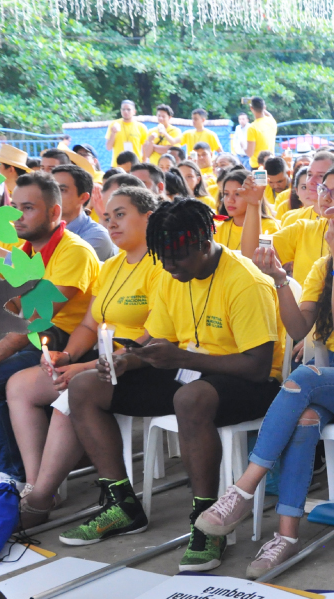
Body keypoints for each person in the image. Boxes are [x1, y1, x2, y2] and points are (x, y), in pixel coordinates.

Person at [195, 187, 334, 575]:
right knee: (305, 419)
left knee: (304, 377)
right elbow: (299, 328)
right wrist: (281, 280)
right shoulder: (323, 266)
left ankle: (243, 488)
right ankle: (286, 535)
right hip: (329, 376)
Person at [60, 199, 284, 572]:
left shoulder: (245, 282)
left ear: (200, 243)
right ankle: (123, 505)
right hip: (190, 374)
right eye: (162, 258)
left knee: (190, 398)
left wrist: (183, 359)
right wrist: (127, 359)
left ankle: (208, 523)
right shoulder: (170, 274)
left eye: (176, 257)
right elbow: (158, 341)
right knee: (84, 387)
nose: (168, 266)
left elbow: (258, 368)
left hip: (248, 383)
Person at [8, 187, 164, 527]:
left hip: (138, 362)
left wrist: (80, 366)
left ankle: (37, 501)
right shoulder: (111, 266)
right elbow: (90, 324)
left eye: (121, 215)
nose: (112, 224)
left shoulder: (163, 266)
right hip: (99, 356)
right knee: (20, 385)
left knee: (74, 390)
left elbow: (150, 338)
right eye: (107, 218)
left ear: (148, 217)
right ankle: (40, 485)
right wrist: (65, 355)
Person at [0, 172, 100, 497]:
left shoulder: (75, 252)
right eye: (15, 206)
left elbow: (35, 320)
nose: (16, 216)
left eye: (27, 208)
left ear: (55, 213)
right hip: (37, 339)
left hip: (69, 346)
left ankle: (15, 475)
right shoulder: (26, 252)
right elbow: (12, 307)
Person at [262, 166, 334, 282]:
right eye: (323, 189)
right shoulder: (303, 229)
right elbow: (253, 255)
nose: (326, 198)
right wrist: (254, 204)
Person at [50, 165, 116, 261]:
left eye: (62, 190)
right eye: (51, 189)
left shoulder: (96, 237)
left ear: (83, 197)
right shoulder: (41, 230)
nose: (53, 195)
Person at [214, 169, 280, 251]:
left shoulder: (268, 226)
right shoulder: (218, 228)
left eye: (237, 194)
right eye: (226, 194)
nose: (230, 200)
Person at [105, 101, 150, 167]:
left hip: (135, 165)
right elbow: (108, 147)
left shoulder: (141, 127)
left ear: (134, 111)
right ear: (121, 111)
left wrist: (144, 164)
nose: (125, 111)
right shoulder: (114, 124)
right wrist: (113, 133)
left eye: (128, 109)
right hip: (117, 165)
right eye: (123, 109)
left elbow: (145, 148)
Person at [245, 97, 278, 169]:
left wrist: (242, 145)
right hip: (271, 162)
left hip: (258, 165)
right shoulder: (271, 121)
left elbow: (249, 153)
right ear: (264, 107)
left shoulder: (252, 128)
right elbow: (269, 115)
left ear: (251, 108)